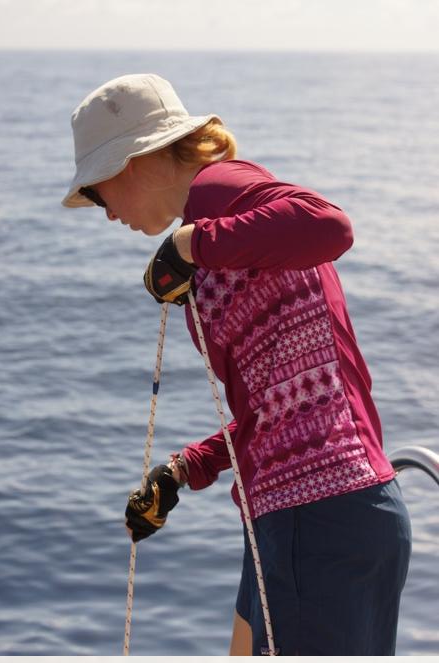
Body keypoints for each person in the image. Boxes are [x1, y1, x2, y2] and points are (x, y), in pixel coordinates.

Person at [63, 73, 412, 656]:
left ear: (127, 165)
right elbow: (280, 407)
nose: (104, 214)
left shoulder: (221, 193)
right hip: (297, 518)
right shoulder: (218, 236)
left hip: (320, 516)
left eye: (97, 195)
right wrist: (185, 469)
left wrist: (189, 245)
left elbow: (331, 225)